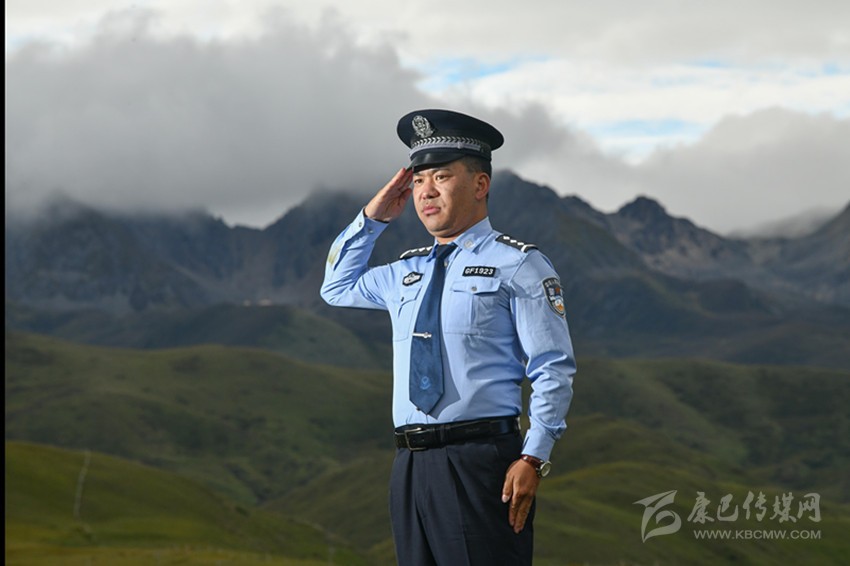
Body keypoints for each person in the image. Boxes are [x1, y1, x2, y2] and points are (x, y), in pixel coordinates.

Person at [320, 109, 575, 566]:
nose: (426, 192)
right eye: (418, 180)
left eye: (441, 177)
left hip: (482, 462)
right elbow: (336, 287)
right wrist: (373, 218)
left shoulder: (518, 264)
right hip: (410, 464)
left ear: (480, 185)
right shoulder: (406, 271)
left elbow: (552, 367)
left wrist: (534, 457)